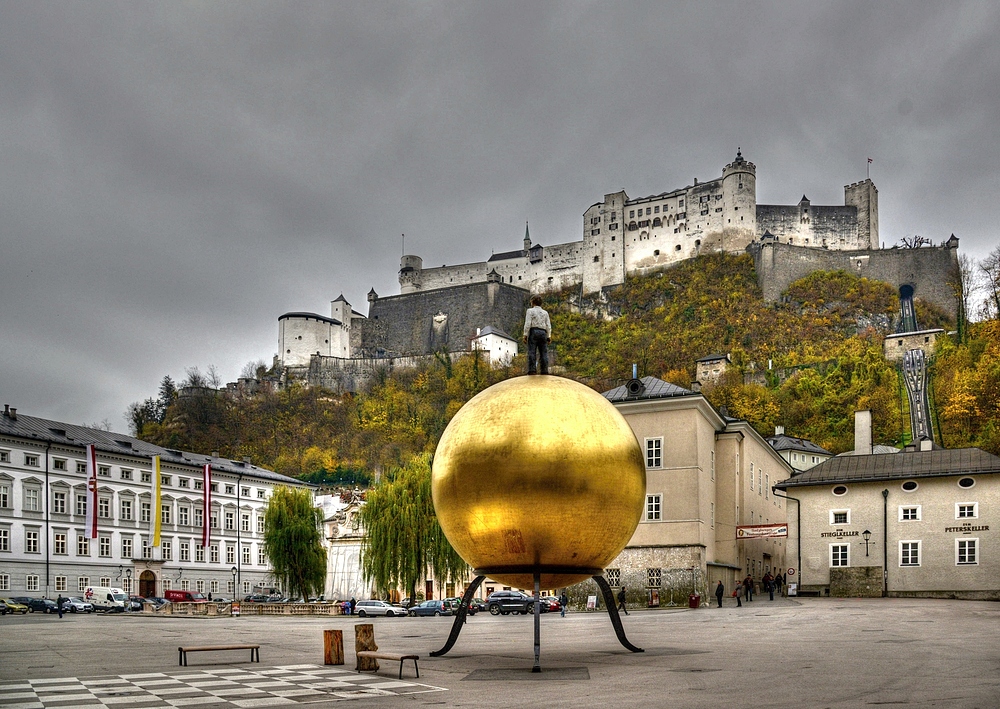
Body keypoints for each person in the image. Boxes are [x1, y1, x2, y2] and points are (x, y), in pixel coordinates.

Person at [522, 295, 552, 375]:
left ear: (532, 302)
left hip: (533, 331)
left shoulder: (530, 311)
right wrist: (549, 336)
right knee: (544, 353)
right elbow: (548, 325)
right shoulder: (545, 313)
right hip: (543, 332)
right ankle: (544, 370)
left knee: (532, 352)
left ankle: (532, 370)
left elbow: (528, 323)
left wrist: (525, 335)